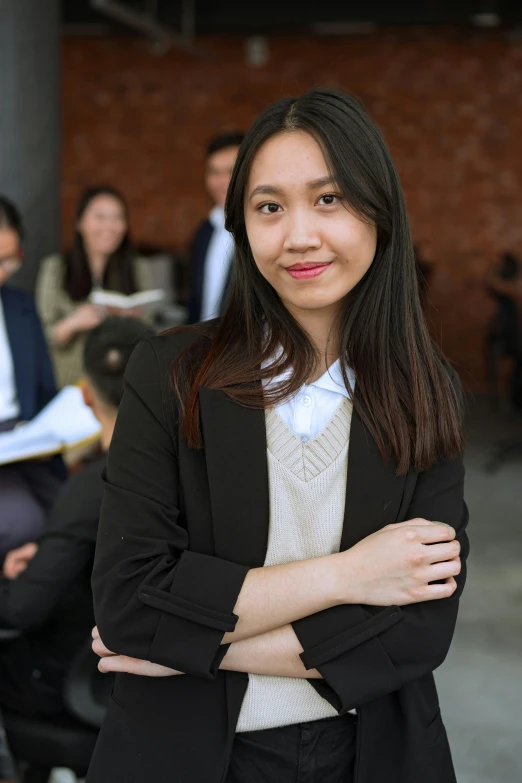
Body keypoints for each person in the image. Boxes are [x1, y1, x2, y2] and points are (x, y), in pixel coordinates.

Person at [88, 90, 469, 783]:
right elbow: (128, 600)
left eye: (329, 200)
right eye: (269, 206)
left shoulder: (425, 390)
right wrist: (350, 575)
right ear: (241, 225)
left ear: (380, 212)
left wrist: (193, 641)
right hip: (188, 753)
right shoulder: (170, 375)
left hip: (372, 752)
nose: (298, 235)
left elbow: (416, 633)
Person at [0, 317, 153, 720]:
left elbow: (22, 609)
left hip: (90, 678)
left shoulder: (92, 487)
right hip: (170, 671)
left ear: (85, 396)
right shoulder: (194, 465)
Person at [36, 185, 155, 389]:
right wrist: (74, 322)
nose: (110, 226)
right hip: (69, 385)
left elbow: (151, 334)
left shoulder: (138, 268)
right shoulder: (55, 269)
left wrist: (131, 322)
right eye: (100, 217)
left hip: (123, 386)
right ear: (80, 223)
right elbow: (40, 337)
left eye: (118, 218)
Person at [0, 196, 63, 562]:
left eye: (10, 259)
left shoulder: (20, 306)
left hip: (26, 439)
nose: (4, 271)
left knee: (79, 512)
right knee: (25, 522)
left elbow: (43, 390)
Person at [187, 132, 244, 323]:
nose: (221, 182)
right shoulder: (204, 231)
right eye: (214, 172)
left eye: (230, 171)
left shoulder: (260, 230)